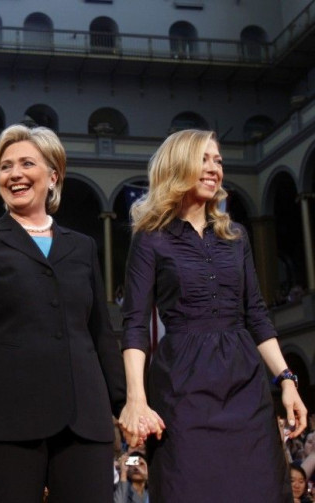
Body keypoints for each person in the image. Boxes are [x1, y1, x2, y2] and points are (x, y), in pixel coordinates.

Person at [0, 124, 126, 502]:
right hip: (3, 418)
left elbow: (100, 334)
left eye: (26, 163)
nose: (14, 174)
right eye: (5, 166)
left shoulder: (82, 247)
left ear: (53, 175)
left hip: (83, 419)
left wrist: (126, 405)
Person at [117, 129, 308, 502]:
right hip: (182, 388)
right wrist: (136, 398)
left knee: (259, 488)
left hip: (244, 384)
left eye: (217, 160)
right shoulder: (150, 237)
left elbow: (256, 313)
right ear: (177, 165)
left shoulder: (236, 235)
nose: (213, 168)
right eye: (203, 159)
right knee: (190, 487)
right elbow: (135, 324)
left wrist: (286, 379)